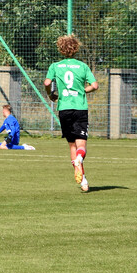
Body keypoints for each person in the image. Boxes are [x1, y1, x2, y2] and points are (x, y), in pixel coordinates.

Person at [44, 34, 99, 192]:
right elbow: (94, 85)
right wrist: (82, 90)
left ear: (61, 49)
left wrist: (50, 94)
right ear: (76, 48)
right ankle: (79, 161)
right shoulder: (82, 66)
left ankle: (83, 181)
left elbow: (47, 83)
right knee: (81, 144)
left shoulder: (55, 66)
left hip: (64, 108)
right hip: (80, 108)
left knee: (72, 145)